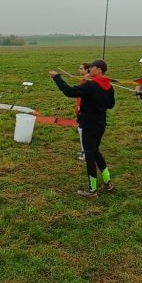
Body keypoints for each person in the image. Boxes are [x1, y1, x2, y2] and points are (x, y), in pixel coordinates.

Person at [49, 60, 115, 197]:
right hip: (100, 124)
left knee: (90, 156)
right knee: (95, 151)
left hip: (89, 125)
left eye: (92, 67)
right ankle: (108, 181)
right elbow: (111, 105)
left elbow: (69, 92)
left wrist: (57, 77)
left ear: (99, 69)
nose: (89, 69)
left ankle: (92, 190)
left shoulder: (91, 85)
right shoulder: (108, 86)